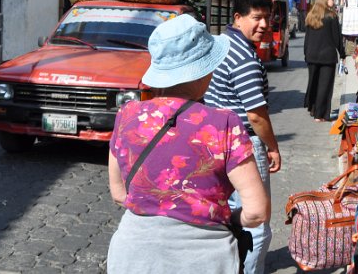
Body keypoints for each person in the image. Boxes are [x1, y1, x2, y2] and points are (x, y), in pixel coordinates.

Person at [107, 14, 269, 274]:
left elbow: (118, 194)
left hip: (132, 256)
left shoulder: (127, 115)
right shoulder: (223, 123)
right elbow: (257, 211)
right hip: (204, 259)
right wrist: (227, 217)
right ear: (202, 71)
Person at [204, 0, 280, 274]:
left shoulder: (220, 44)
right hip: (243, 145)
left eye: (267, 18)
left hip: (215, 141)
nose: (264, 25)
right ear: (238, 18)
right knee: (257, 221)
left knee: (227, 214)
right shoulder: (245, 59)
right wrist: (273, 147)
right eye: (257, 18)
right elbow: (257, 116)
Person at [303, 0, 345, 122]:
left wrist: (306, 53)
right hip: (327, 56)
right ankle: (320, 115)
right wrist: (342, 54)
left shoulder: (311, 16)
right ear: (325, 0)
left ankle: (313, 109)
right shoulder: (332, 16)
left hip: (312, 55)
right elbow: (337, 38)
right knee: (324, 86)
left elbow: (307, 38)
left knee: (313, 82)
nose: (333, 1)